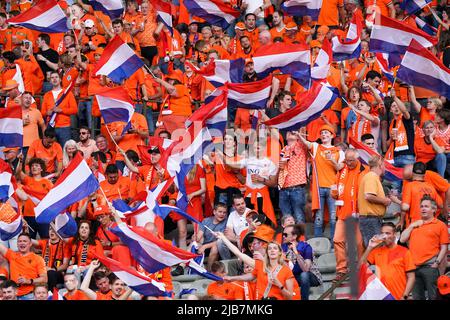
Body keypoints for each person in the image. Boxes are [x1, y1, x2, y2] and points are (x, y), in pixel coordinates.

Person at [219, 234, 301, 300]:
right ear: (267, 252)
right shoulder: (259, 264)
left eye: (275, 248)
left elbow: (290, 297)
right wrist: (223, 238)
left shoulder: (284, 266)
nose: (272, 250)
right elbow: (250, 275)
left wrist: (279, 285)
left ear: (279, 252)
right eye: (270, 249)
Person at [298, 125, 344, 239]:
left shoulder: (339, 151)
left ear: (332, 135)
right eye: (322, 133)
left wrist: (331, 159)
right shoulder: (316, 146)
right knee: (318, 217)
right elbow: (306, 143)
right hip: (318, 187)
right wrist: (299, 135)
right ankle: (318, 242)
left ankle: (334, 242)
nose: (323, 134)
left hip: (333, 187)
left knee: (333, 216)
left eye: (326, 133)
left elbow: (339, 168)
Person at [400, 196, 448, 300]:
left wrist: (437, 263)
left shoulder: (440, 225)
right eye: (421, 206)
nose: (423, 208)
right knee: (417, 297)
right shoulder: (415, 224)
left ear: (434, 209)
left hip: (430, 266)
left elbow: (444, 247)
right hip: (413, 267)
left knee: (434, 297)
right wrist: (412, 226)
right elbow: (402, 240)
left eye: (426, 206)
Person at [331, 148, 365, 282]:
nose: (349, 163)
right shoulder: (341, 170)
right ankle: (341, 270)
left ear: (358, 159)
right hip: (342, 213)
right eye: (347, 160)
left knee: (359, 243)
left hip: (357, 214)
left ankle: (363, 267)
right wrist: (333, 192)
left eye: (351, 160)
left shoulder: (364, 171)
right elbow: (335, 185)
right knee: (337, 240)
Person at [360, 222, 416, 300]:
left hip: (399, 296)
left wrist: (405, 296)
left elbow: (411, 277)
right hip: (382, 296)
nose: (385, 236)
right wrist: (369, 247)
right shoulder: (376, 251)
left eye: (388, 233)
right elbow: (361, 266)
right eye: (382, 233)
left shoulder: (405, 252)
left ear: (395, 235)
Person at [0, 233, 48, 300]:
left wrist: (29, 281)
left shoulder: (38, 259)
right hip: (13, 296)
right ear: (17, 244)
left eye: (24, 241)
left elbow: (44, 279)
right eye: (19, 241)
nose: (22, 243)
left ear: (30, 244)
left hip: (30, 295)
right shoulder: (12, 255)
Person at [357, 155, 391, 247]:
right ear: (380, 165)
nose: (385, 169)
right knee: (375, 249)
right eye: (384, 165)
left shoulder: (372, 177)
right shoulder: (371, 176)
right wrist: (385, 201)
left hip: (372, 219)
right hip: (371, 219)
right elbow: (368, 196)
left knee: (375, 248)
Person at [282, 224, 322, 300]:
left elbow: (306, 269)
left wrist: (296, 253)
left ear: (294, 236)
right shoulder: (283, 248)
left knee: (304, 275)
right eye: (283, 234)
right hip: (294, 276)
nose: (283, 236)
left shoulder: (306, 247)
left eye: (286, 235)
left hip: (311, 277)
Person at [400, 162, 442, 229]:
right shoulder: (431, 186)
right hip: (430, 224)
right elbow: (440, 205)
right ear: (424, 174)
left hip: (415, 224)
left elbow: (405, 207)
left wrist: (401, 222)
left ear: (412, 173)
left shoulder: (409, 186)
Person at [40, 71, 77, 147]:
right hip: (50, 126)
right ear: (50, 81)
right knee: (51, 149)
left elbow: (74, 110)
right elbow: (42, 112)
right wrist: (47, 113)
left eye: (56, 77)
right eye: (52, 78)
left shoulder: (67, 93)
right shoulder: (47, 95)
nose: (54, 79)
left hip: (64, 127)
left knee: (66, 149)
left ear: (60, 79)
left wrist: (61, 110)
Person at [278, 131, 308, 224]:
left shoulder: (301, 147)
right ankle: (288, 237)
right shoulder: (284, 149)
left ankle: (301, 238)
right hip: (283, 188)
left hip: (297, 188)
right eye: (289, 132)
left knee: (299, 217)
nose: (290, 134)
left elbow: (307, 144)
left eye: (293, 133)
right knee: (286, 219)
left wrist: (299, 134)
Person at [31, 226, 69, 291]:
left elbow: (65, 265)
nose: (52, 232)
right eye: (50, 229)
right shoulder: (45, 242)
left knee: (50, 273)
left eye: (54, 230)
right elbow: (30, 240)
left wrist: (52, 269)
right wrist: (24, 230)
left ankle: (50, 294)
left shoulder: (64, 244)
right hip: (44, 272)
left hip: (58, 273)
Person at [195, 203, 229, 270]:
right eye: (220, 212)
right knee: (194, 244)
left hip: (218, 247)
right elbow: (199, 236)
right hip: (205, 245)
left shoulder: (226, 222)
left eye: (224, 212)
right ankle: (183, 266)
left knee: (215, 247)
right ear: (214, 212)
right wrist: (195, 238)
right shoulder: (206, 221)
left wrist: (204, 246)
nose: (222, 214)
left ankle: (209, 271)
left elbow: (221, 240)